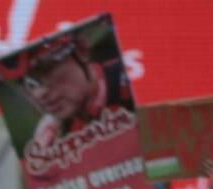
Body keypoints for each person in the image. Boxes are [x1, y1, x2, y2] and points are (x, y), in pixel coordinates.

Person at [15, 33, 134, 163]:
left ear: (81, 50)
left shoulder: (133, 81)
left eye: (47, 68)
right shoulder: (48, 138)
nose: (39, 93)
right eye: (26, 83)